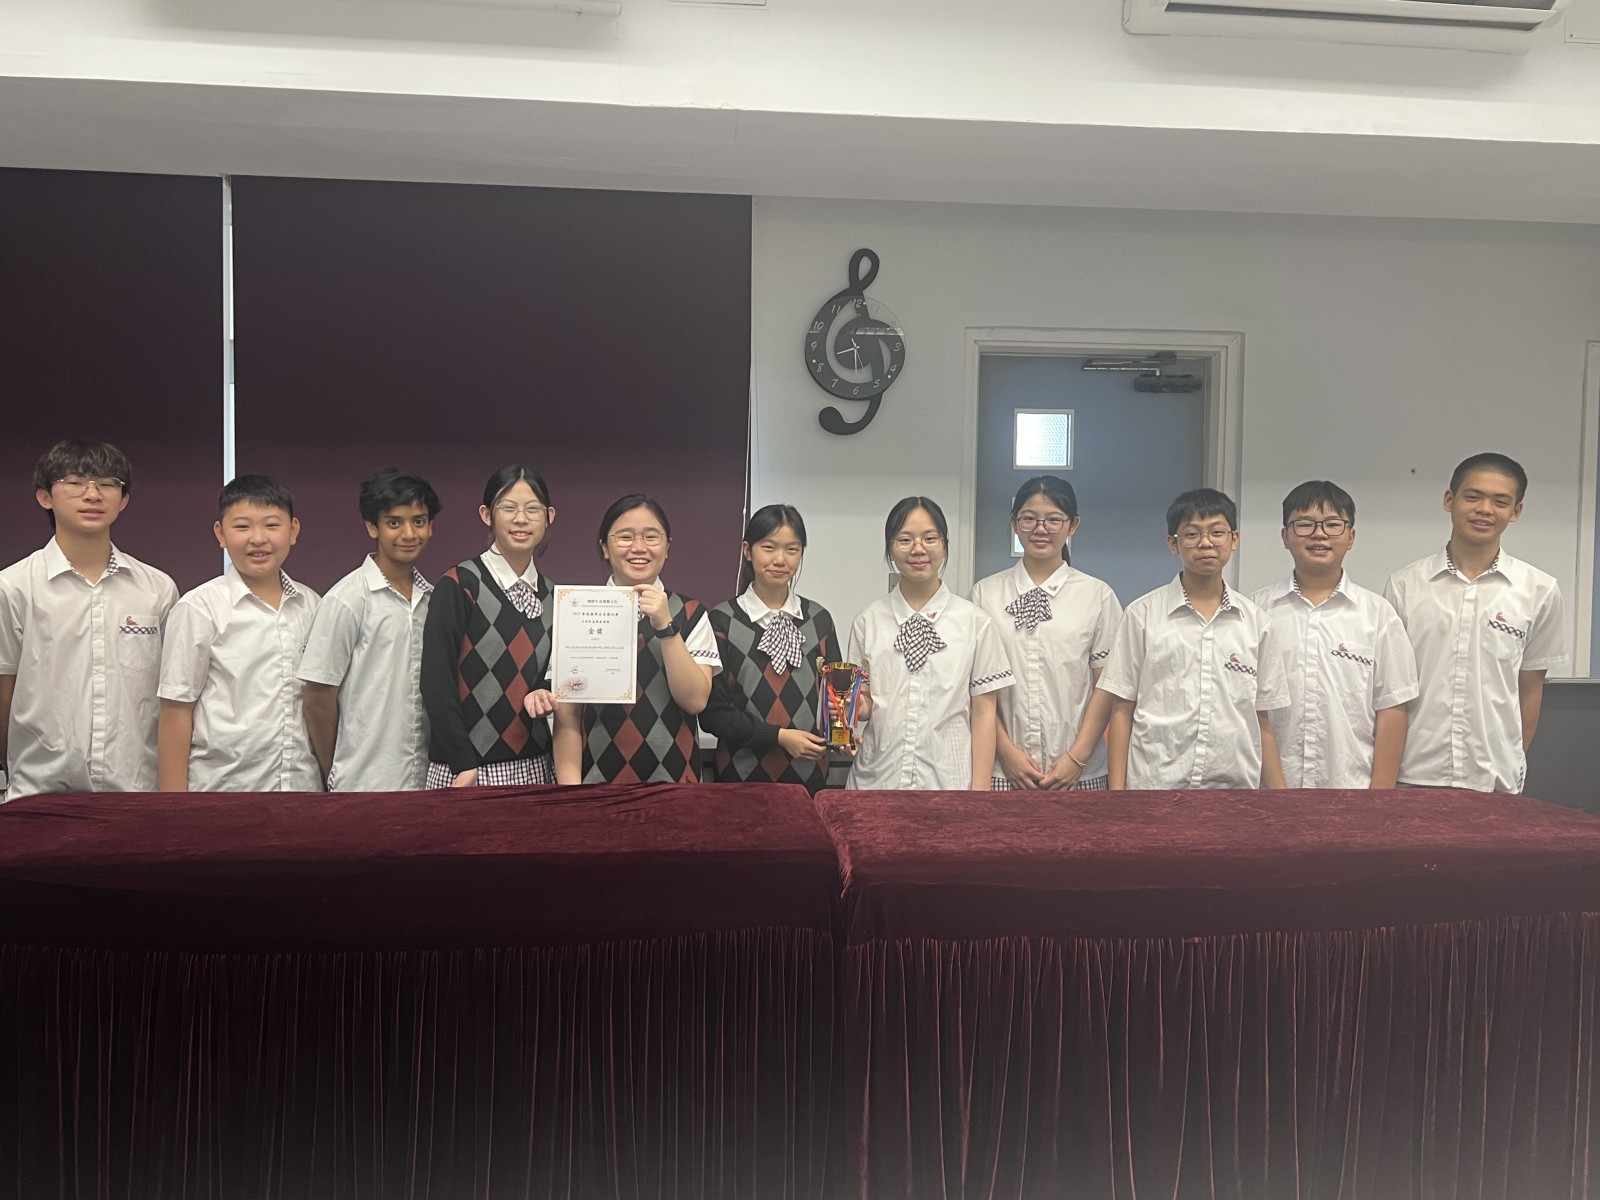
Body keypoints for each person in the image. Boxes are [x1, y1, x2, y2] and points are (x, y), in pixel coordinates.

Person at [0, 440, 178, 800]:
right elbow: (5, 689)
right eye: (75, 482)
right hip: (40, 792)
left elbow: (171, 695)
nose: (92, 494)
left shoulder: (157, 588)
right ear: (45, 497)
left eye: (108, 484)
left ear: (123, 500)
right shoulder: (13, 586)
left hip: (138, 790)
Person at [1384, 452, 1568, 793]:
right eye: (1473, 497)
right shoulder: (1405, 585)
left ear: (1516, 511)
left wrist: (1513, 759)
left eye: (1500, 501)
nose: (1485, 509)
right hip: (1413, 772)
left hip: (1494, 778)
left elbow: (1530, 686)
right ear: (1449, 500)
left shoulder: (1540, 590)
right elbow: (1392, 689)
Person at [1098, 487, 1289, 790]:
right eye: (1192, 534)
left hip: (1234, 790)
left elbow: (1261, 719)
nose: (1206, 543)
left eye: (1217, 532)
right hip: (1155, 786)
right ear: (1173, 544)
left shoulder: (1257, 623)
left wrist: (1281, 802)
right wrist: (1118, 796)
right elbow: (1122, 709)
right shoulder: (1142, 615)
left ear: (1234, 539)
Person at [157, 474, 321, 791]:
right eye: (242, 527)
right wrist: (173, 806)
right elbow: (176, 710)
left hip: (301, 790)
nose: (257, 539)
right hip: (223, 790)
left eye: (271, 525)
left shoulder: (311, 605)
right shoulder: (199, 608)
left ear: (293, 531)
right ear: (220, 533)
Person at [1251, 480, 1418, 789]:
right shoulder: (1256, 612)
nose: (1319, 534)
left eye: (1332, 524)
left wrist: (1379, 797)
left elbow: (1392, 708)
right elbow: (1248, 708)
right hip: (1269, 792)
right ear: (1285, 536)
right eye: (1304, 524)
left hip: (1352, 788)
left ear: (1351, 536)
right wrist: (1275, 795)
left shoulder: (1378, 615)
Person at [553, 494, 722, 784]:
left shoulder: (691, 613)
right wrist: (571, 792)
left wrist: (666, 626)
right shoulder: (577, 608)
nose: (639, 547)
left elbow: (695, 701)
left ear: (667, 547)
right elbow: (567, 714)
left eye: (651, 536)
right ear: (605, 548)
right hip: (597, 786)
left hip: (676, 786)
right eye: (625, 537)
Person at [847, 496, 1012, 790]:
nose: (918, 549)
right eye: (905, 540)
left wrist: (980, 793)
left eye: (930, 538)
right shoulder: (868, 621)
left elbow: (984, 713)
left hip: (950, 783)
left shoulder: (975, 623)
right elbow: (867, 701)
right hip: (877, 781)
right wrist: (854, 706)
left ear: (945, 546)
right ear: (890, 549)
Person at [970, 476, 1121, 790]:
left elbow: (1108, 686)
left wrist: (1076, 758)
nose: (1041, 529)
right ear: (1014, 523)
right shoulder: (985, 595)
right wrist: (1006, 753)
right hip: (1002, 771)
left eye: (1053, 519)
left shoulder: (1097, 595)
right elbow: (977, 688)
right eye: (1029, 519)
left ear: (1073, 525)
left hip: (1080, 774)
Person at [300, 469, 441, 791]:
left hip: (426, 782)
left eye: (419, 521)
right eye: (394, 522)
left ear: (430, 526)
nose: (409, 533)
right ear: (372, 527)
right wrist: (335, 771)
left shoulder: (433, 599)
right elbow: (317, 696)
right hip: (362, 784)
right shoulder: (347, 599)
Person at [420, 465, 559, 788]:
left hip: (536, 766)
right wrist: (462, 762)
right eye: (508, 508)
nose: (521, 519)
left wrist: (546, 689)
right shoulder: (459, 584)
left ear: (549, 516)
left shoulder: (555, 596)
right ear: (487, 515)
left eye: (532, 509)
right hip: (467, 771)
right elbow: (436, 680)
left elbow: (555, 673)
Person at [701, 504, 840, 795]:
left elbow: (835, 699)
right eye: (769, 547)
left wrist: (843, 730)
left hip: (810, 781)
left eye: (792, 549)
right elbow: (713, 714)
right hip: (740, 781)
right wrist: (779, 737)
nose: (780, 559)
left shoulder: (819, 620)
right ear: (747, 551)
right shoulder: (723, 620)